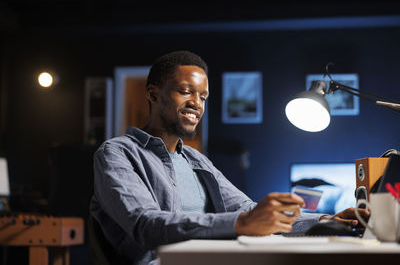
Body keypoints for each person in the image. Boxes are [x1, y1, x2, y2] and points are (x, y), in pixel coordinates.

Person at [90, 50, 369, 265]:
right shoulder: (117, 153)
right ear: (153, 94)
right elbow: (146, 226)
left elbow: (249, 211)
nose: (196, 104)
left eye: (203, 97)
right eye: (185, 91)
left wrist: (323, 221)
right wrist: (241, 224)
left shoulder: (197, 161)